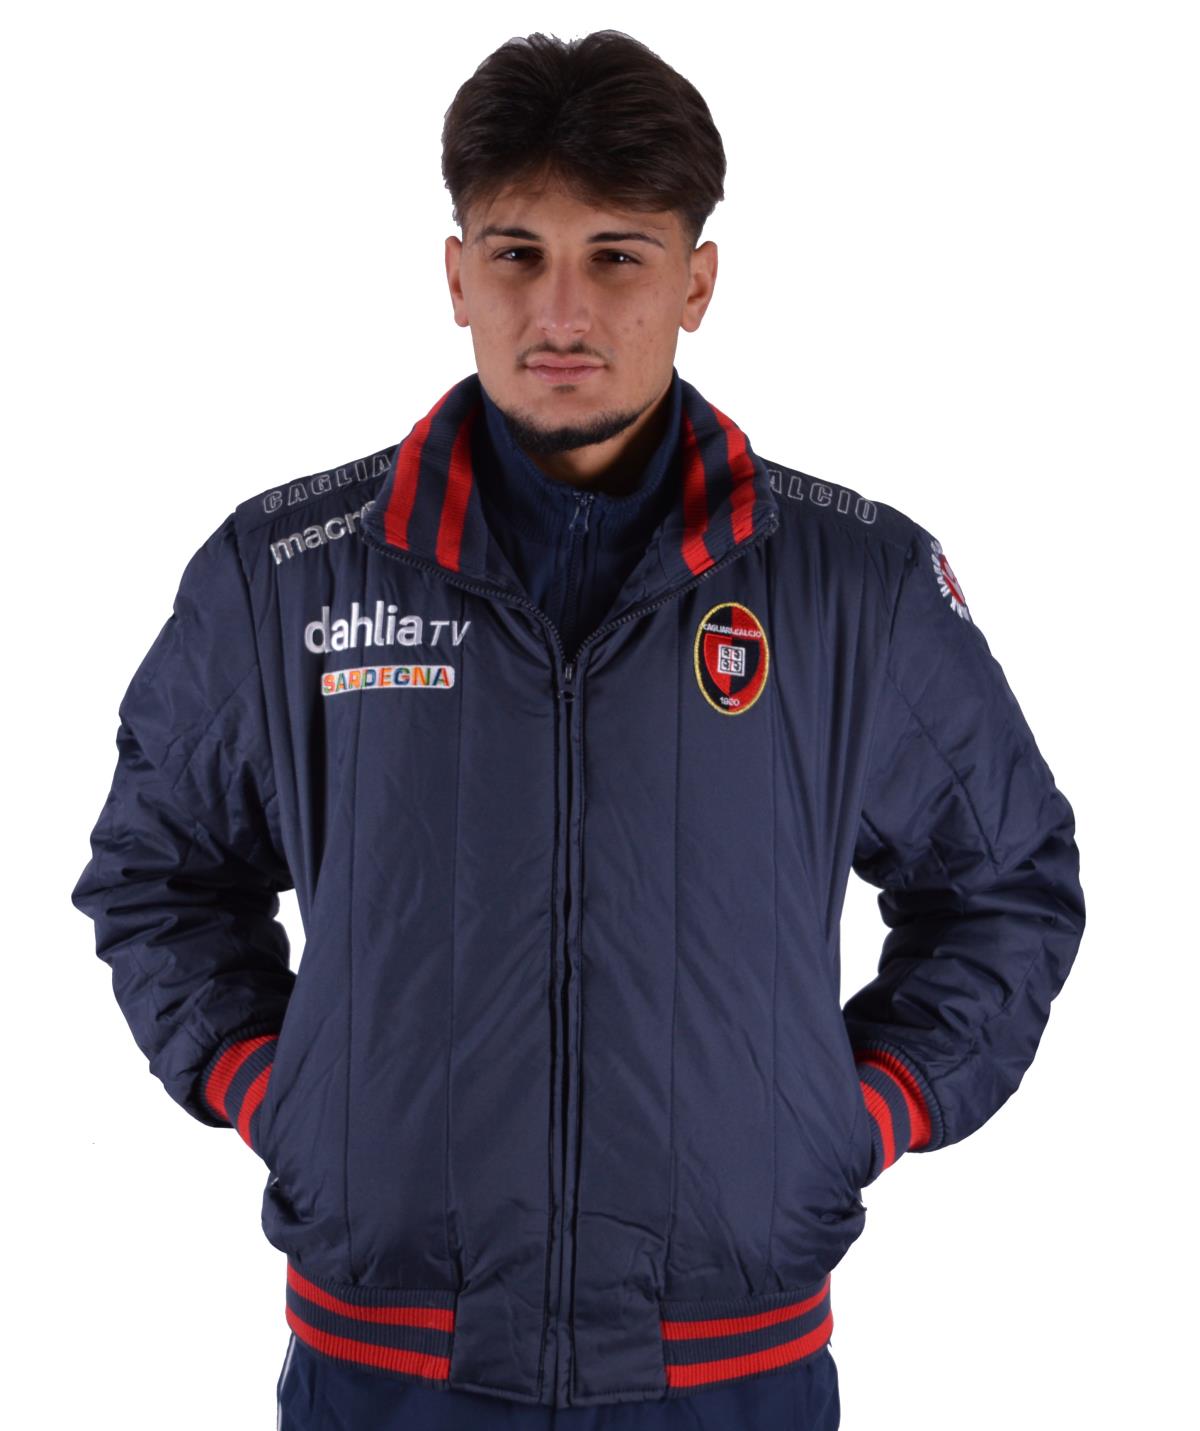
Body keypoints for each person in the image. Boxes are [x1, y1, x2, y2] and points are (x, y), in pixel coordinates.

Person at [70, 28, 1086, 1431]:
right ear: (455, 275)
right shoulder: (287, 573)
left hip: (726, 1370)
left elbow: (1006, 884)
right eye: (517, 253)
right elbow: (160, 873)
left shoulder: (855, 584)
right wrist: (281, 1092)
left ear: (696, 281)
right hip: (389, 1367)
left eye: (616, 255)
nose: (562, 309)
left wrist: (849, 1116)